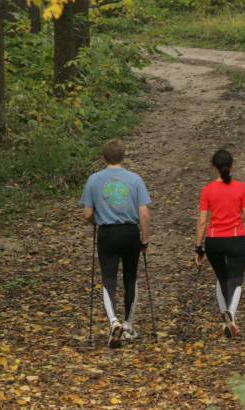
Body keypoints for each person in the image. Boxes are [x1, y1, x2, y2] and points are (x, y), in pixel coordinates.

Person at [81, 139, 151, 348]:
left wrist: (98, 220)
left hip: (107, 234)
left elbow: (87, 214)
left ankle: (113, 321)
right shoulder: (135, 180)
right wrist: (144, 238)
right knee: (130, 277)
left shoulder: (93, 180)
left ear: (104, 158)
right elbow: (144, 213)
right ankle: (128, 325)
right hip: (130, 232)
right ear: (123, 156)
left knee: (108, 278)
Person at [193, 149, 245, 338]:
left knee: (221, 277)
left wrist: (198, 247)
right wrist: (241, 215)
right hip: (236, 239)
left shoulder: (207, 190)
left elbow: (202, 221)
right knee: (236, 279)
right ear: (232, 166)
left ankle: (225, 319)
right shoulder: (241, 187)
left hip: (214, 241)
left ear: (214, 168)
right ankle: (231, 314)